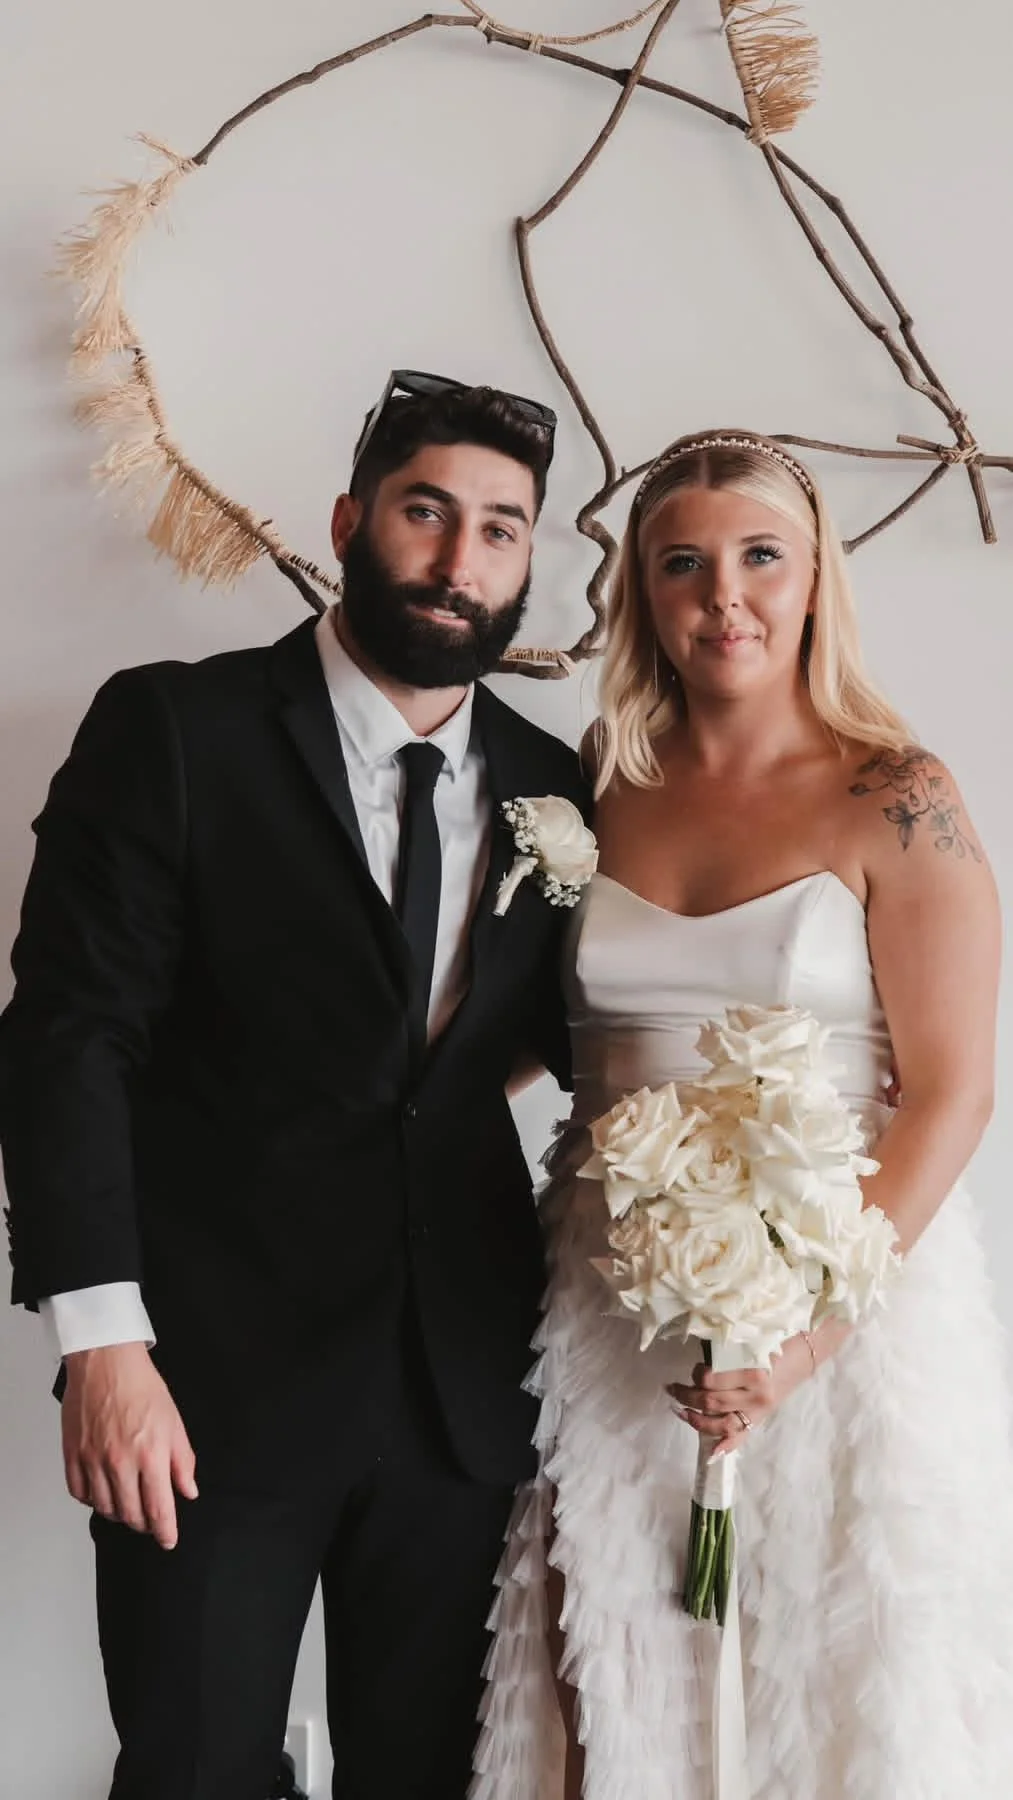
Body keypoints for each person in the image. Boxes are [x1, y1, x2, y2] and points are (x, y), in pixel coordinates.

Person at [0, 371, 590, 1800]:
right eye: (426, 514)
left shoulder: (556, 787)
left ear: (529, 562)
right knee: (196, 1771)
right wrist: (103, 1345)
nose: (460, 563)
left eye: (501, 531)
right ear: (351, 521)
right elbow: (70, 1036)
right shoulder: (175, 732)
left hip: (462, 1399)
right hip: (202, 1393)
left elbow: (552, 1055)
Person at [471, 430, 1013, 1799]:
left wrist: (805, 1340)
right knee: (629, 1665)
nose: (727, 595)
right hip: (617, 1303)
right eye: (684, 566)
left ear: (816, 577)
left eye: (761, 556)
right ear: (642, 596)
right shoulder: (599, 782)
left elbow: (952, 1095)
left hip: (848, 1308)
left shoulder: (901, 795)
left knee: (830, 1686)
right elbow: (532, 1030)